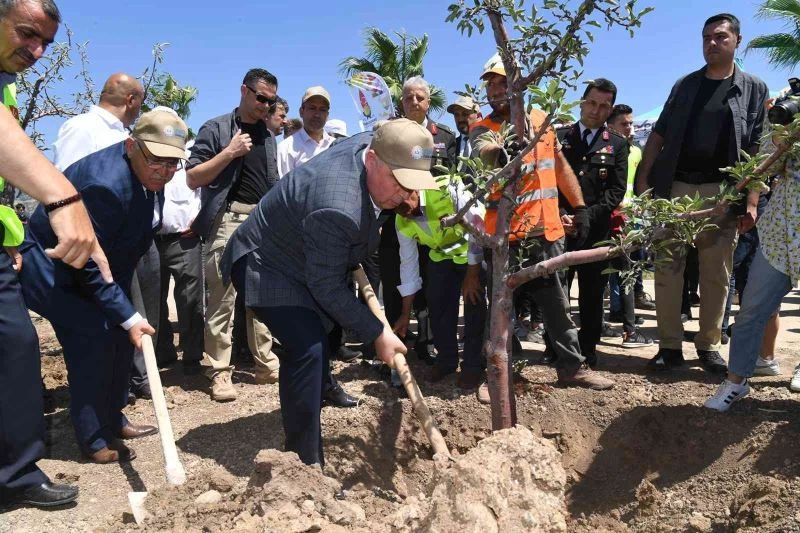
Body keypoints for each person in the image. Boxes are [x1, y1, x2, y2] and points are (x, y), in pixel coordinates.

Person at [220, 118, 436, 466]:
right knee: (308, 346)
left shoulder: (378, 142)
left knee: (325, 327)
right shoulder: (338, 205)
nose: (405, 194)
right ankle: (305, 460)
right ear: (372, 161)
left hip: (305, 250)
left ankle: (322, 388)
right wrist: (377, 333)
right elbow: (326, 285)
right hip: (266, 262)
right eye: (399, 182)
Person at [19, 109, 188, 466]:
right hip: (57, 273)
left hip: (106, 272)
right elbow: (89, 265)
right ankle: (92, 437)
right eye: (157, 160)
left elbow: (123, 248)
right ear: (132, 146)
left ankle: (114, 418)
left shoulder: (149, 175)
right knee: (93, 342)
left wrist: (125, 316)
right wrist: (126, 315)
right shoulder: (104, 186)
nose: (166, 170)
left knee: (122, 342)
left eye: (174, 162)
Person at [0, 0, 110, 510]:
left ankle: (17, 473)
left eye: (44, 42)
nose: (37, 51)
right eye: (26, 33)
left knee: (16, 346)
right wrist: (63, 198)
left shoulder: (8, 81)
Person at [470, 53, 614, 391]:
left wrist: (578, 206)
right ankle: (504, 372)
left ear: (519, 84)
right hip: (504, 237)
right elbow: (484, 153)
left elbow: (560, 164)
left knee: (555, 305)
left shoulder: (541, 120)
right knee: (501, 310)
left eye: (502, 82)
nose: (495, 90)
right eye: (491, 84)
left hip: (544, 232)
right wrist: (507, 151)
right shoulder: (483, 128)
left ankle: (571, 368)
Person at [636, 13, 768, 374]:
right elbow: (658, 135)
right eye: (707, 37)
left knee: (716, 273)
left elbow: (758, 150)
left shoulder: (754, 88)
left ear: (737, 41)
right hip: (675, 188)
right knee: (667, 268)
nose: (712, 42)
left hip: (723, 194)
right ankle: (669, 345)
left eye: (720, 37)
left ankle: (709, 345)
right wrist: (642, 178)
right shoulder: (685, 85)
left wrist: (751, 201)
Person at [50, 72, 151, 399]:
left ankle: (116, 402)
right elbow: (65, 188)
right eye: (141, 103)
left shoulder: (123, 134)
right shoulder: (83, 129)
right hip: (89, 249)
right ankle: (98, 413)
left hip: (118, 244)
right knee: (95, 332)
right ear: (132, 100)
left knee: (122, 325)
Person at [187, 68, 281, 401]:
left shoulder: (269, 137)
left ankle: (266, 365)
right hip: (227, 220)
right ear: (243, 91)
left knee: (262, 296)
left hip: (261, 224)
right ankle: (220, 373)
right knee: (222, 298)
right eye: (260, 98)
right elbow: (193, 178)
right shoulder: (215, 129)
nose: (265, 106)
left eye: (270, 102)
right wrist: (229, 152)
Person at [704, 153, 799, 410]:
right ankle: (736, 381)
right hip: (778, 237)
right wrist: (782, 142)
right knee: (751, 310)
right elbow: (760, 169)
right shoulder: (789, 129)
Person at [557, 78, 629, 365]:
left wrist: (587, 215)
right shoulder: (560, 138)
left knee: (591, 295)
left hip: (596, 231)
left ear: (609, 109)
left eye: (604, 106)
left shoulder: (618, 145)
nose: (596, 111)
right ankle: (557, 347)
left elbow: (616, 191)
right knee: (558, 292)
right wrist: (562, 213)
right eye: (592, 103)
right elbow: (548, 180)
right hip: (559, 227)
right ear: (582, 102)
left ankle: (587, 348)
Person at [393, 173, 487, 388]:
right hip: (441, 258)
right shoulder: (401, 219)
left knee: (474, 307)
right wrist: (406, 314)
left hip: (471, 253)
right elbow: (408, 265)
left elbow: (478, 225)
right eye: (394, 204)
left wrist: (472, 275)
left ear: (414, 189)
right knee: (438, 307)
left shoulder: (446, 190)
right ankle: (446, 361)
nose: (400, 208)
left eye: (402, 199)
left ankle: (473, 366)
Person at [605, 103, 654, 348]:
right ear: (610, 125)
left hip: (628, 219)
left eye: (631, 123)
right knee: (598, 276)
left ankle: (629, 329)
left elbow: (637, 184)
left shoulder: (635, 151)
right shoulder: (602, 149)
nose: (630, 128)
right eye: (624, 123)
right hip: (605, 218)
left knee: (627, 273)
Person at [153, 137, 204, 375]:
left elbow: (206, 190)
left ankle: (193, 356)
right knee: (154, 300)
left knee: (190, 299)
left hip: (185, 240)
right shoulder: (144, 160)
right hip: (151, 241)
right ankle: (162, 352)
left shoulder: (193, 158)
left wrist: (201, 220)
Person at [52, 72, 144, 170]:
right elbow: (67, 176)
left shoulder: (119, 133)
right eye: (141, 102)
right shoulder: (82, 127)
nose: (140, 109)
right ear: (131, 100)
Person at [277, 86, 334, 177]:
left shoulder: (335, 146)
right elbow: (283, 188)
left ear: (327, 115)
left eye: (322, 109)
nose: (317, 114)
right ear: (301, 112)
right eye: (312, 108)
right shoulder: (286, 148)